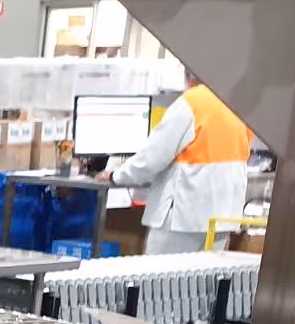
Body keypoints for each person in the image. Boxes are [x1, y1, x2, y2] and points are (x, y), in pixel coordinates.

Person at [102, 73, 251, 257]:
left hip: (184, 217)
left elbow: (152, 159)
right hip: (223, 218)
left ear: (189, 76)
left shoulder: (192, 102)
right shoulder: (237, 104)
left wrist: (115, 176)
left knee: (161, 275)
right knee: (207, 275)